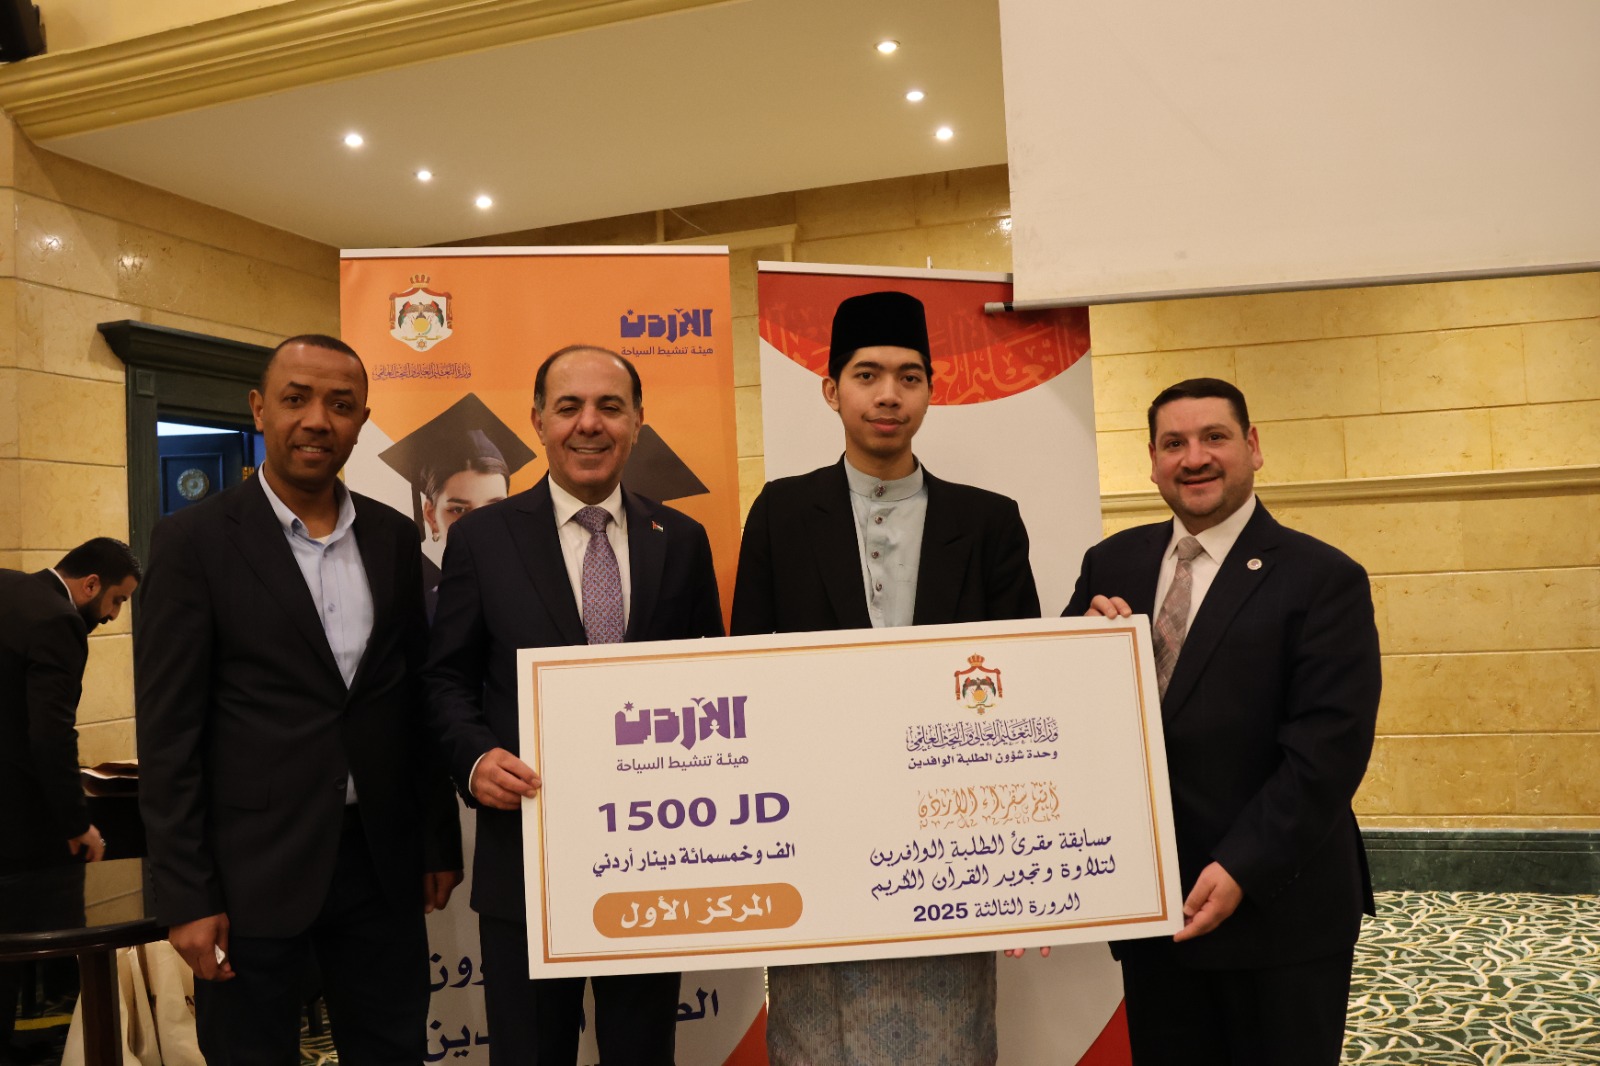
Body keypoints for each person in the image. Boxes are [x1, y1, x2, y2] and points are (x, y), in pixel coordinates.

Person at [135, 334, 464, 1065]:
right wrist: (186, 894)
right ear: (260, 409)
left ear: (361, 421)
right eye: (296, 399)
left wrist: (436, 840)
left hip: (380, 865)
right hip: (250, 874)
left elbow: (409, 702)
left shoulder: (393, 538)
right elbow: (168, 734)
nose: (318, 420)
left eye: (340, 405)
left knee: (393, 1050)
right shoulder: (193, 543)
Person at [730, 291, 1040, 1066]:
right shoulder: (781, 513)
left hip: (950, 833)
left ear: (932, 390)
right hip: (816, 824)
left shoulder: (989, 522)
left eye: (909, 376)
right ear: (830, 389)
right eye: (866, 375)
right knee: (816, 1039)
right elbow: (750, 672)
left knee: (949, 1039)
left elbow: (1023, 682)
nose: (889, 395)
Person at [1063, 377, 1381, 1066]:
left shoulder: (1323, 578)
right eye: (1173, 443)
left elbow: (1327, 751)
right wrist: (1079, 652)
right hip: (1156, 914)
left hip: (1278, 911)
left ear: (1253, 447)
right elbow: (1063, 716)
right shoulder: (1111, 562)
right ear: (1152, 461)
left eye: (1215, 437)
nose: (1194, 458)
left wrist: (1242, 865)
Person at [424, 345, 723, 1064]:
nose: (589, 424)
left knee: (642, 1054)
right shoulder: (481, 539)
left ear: (638, 422)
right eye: (568, 408)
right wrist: (475, 759)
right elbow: (444, 680)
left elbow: (713, 685)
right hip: (527, 861)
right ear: (537, 422)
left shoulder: (681, 541)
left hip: (651, 864)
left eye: (610, 407)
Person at [0, 538, 139, 1058]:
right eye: (117, 600)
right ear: (91, 584)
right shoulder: (60, 621)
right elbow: (50, 734)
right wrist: (78, 822)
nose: (113, 615)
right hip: (16, 820)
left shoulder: (7, 585)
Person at [378, 393, 536, 618]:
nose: (479, 526)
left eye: (494, 507)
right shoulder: (415, 616)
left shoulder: (541, 603)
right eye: (459, 510)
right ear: (431, 516)